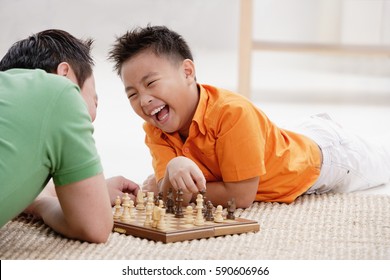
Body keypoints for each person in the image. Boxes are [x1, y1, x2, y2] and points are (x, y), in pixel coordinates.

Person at [108, 25, 390, 209]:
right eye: (131, 94)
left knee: (383, 156)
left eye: (151, 83)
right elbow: (169, 194)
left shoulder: (232, 113)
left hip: (327, 158)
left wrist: (169, 185)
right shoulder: (155, 129)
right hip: (284, 141)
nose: (143, 100)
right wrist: (169, 177)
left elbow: (239, 196)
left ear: (187, 72)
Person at [0, 29, 140, 243]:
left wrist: (87, 190)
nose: (94, 107)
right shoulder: (60, 91)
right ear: (65, 74)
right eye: (94, 96)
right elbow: (94, 227)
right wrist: (40, 203)